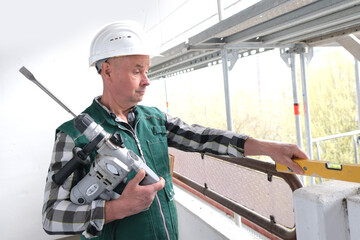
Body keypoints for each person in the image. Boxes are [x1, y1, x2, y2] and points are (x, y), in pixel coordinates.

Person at [42, 21, 308, 240]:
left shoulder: (154, 119)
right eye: (137, 71)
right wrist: (115, 209)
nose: (147, 80)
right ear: (108, 71)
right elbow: (51, 216)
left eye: (147, 70)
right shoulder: (73, 135)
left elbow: (203, 138)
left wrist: (267, 148)